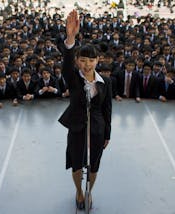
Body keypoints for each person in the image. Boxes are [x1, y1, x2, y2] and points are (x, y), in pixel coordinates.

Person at [58, 10, 112, 210]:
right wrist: (71, 38)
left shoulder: (105, 82)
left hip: (97, 129)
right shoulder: (73, 78)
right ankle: (79, 191)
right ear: (77, 61)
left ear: (97, 60)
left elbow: (108, 109)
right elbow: (65, 67)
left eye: (91, 60)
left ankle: (90, 191)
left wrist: (107, 133)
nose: (87, 64)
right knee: (76, 162)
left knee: (95, 163)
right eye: (82, 60)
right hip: (77, 126)